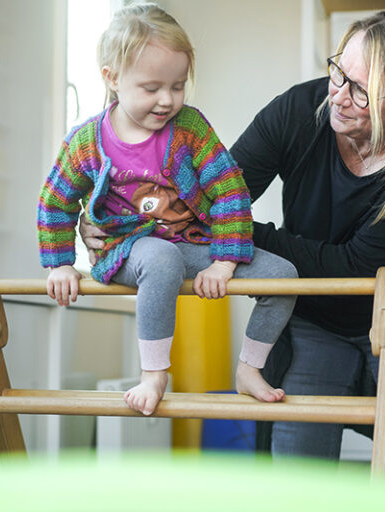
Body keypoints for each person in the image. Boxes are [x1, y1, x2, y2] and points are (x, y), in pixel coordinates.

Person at [80, 6, 385, 483]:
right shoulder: (298, 110)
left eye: (362, 92)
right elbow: (209, 202)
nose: (340, 96)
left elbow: (356, 267)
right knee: (298, 485)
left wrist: (247, 235)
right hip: (312, 320)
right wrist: (119, 222)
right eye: (339, 73)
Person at [37, 3, 297, 417]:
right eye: (152, 87)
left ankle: (249, 369)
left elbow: (231, 190)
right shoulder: (87, 141)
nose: (167, 100)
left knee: (283, 276)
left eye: (178, 86)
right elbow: (56, 200)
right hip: (127, 249)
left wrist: (224, 262)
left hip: (190, 243)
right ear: (113, 78)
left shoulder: (190, 128)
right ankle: (154, 372)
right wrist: (60, 264)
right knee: (160, 257)